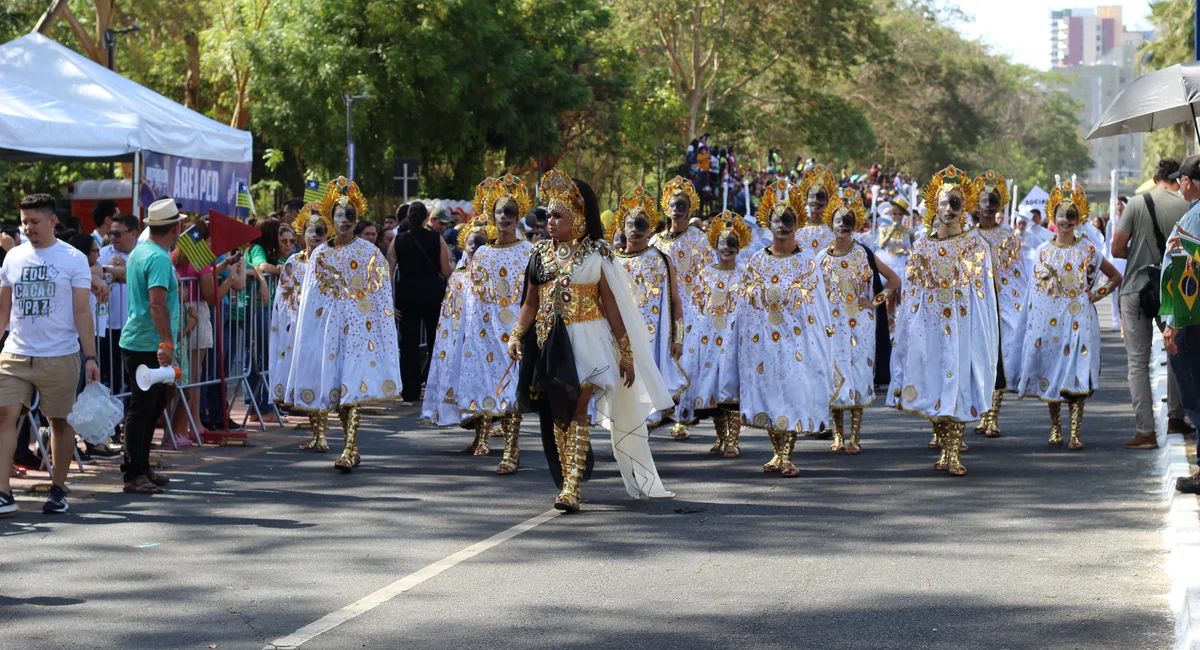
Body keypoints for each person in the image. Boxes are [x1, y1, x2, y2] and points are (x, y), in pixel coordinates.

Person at [510, 169, 674, 512]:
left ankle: (571, 488)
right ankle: (569, 475)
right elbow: (530, 304)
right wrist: (515, 335)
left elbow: (614, 310)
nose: (551, 222)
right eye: (549, 215)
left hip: (591, 342)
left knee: (579, 409)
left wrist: (626, 354)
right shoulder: (539, 255)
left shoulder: (598, 255)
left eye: (558, 215)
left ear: (578, 218)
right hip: (549, 345)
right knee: (559, 414)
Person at [888, 166, 999, 476]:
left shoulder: (975, 245)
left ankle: (953, 452)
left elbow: (982, 295)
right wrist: (909, 327)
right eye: (944, 203)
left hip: (964, 327)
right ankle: (941, 440)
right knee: (936, 379)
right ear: (933, 206)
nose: (950, 209)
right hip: (931, 326)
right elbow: (913, 291)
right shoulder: (922, 245)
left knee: (960, 382)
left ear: (965, 208)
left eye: (956, 203)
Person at [284, 177, 401, 472]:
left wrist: (374, 325)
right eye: (339, 215)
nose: (345, 220)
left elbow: (380, 294)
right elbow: (312, 300)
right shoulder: (321, 254)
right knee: (338, 391)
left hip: (360, 333)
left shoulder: (369, 253)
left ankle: (350, 448)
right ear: (331, 218)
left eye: (350, 216)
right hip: (330, 334)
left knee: (352, 389)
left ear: (357, 218)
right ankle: (351, 446)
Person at [0, 194, 99, 514]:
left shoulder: (73, 258)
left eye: (35, 222)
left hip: (61, 354)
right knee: (4, 416)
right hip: (15, 354)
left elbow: (83, 312)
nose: (28, 228)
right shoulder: (12, 257)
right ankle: (3, 493)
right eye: (24, 222)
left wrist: (91, 357)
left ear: (53, 221)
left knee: (59, 422)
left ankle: (58, 489)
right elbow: (3, 308)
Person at [736, 179, 836, 477]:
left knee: (792, 390)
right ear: (768, 224)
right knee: (769, 391)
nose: (783, 225)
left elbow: (816, 306)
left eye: (788, 221)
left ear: (797, 224)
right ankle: (776, 453)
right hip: (763, 340)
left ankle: (787, 453)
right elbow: (746, 300)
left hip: (797, 342)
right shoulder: (756, 261)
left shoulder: (808, 261)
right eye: (777, 221)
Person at [1017, 181, 1122, 450]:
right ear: (1053, 216)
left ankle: (1075, 432)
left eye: (1071, 216)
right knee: (1052, 369)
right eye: (1061, 215)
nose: (1066, 221)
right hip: (1049, 321)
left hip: (1080, 320)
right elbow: (1034, 292)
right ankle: (1055, 428)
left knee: (1078, 371)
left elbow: (1115, 276)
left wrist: (1095, 294)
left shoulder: (1088, 249)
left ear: (1079, 219)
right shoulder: (1043, 250)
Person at [450, 176, 533, 472]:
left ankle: (511, 450)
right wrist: (472, 337)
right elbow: (473, 300)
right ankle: (491, 441)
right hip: (485, 334)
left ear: (518, 216)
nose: (505, 217)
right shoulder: (482, 253)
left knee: (512, 391)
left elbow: (532, 297)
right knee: (492, 389)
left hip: (515, 333)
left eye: (510, 212)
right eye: (500, 212)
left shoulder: (529, 252)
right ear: (492, 215)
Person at [1112, 157, 1194, 449]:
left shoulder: (1136, 203)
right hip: (1170, 290)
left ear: (1155, 176)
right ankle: (1175, 417)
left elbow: (1117, 248)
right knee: (1175, 353)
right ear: (1179, 179)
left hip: (1135, 287)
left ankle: (1145, 431)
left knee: (1137, 363)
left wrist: (1141, 248)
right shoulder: (1186, 207)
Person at [817, 189, 899, 454]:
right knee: (834, 376)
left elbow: (894, 280)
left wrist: (875, 302)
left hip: (860, 325)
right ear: (830, 223)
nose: (843, 225)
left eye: (848, 221)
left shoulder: (864, 253)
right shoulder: (821, 259)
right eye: (838, 221)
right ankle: (839, 436)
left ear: (855, 226)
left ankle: (855, 437)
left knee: (858, 375)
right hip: (831, 327)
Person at [114, 198, 186, 496]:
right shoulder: (156, 257)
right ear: (177, 227)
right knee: (143, 408)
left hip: (142, 341)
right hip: (148, 344)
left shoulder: (142, 252)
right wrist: (167, 343)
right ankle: (133, 472)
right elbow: (157, 305)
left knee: (152, 405)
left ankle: (141, 466)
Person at [611, 187, 688, 430]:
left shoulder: (662, 260)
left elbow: (675, 301)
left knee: (647, 399)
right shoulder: (612, 262)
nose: (635, 230)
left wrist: (678, 338)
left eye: (641, 225)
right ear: (622, 228)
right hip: (619, 340)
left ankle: (641, 444)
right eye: (630, 224)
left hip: (653, 342)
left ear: (650, 229)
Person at [681, 211, 749, 457]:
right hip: (709, 340)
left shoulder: (746, 274)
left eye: (732, 244)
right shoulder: (706, 273)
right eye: (723, 244)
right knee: (712, 390)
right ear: (715, 246)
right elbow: (695, 307)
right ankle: (721, 438)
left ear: (739, 247)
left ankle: (733, 441)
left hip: (735, 339)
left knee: (731, 388)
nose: (727, 248)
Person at [650, 176, 711, 439]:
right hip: (661, 311)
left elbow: (709, 276)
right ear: (667, 208)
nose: (677, 210)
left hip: (692, 311)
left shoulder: (699, 241)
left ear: (690, 210)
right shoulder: (656, 242)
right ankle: (661, 411)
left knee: (685, 361)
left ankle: (683, 416)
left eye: (682, 206)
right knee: (662, 359)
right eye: (673, 205)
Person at [972, 171, 1028, 438]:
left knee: (1000, 360)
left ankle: (993, 416)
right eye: (984, 199)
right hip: (976, 307)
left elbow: (1018, 275)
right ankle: (980, 413)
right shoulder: (967, 237)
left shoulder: (1009, 237)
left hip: (1003, 305)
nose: (989, 204)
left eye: (994, 199)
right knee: (977, 360)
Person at [421, 218, 490, 429]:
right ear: (463, 246)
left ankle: (486, 431)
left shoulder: (491, 274)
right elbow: (449, 312)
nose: (474, 247)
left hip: (483, 340)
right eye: (471, 243)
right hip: (460, 340)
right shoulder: (458, 277)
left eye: (479, 243)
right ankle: (476, 431)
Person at [271, 204, 330, 450]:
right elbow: (283, 300)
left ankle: (323, 435)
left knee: (321, 380)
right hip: (297, 330)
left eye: (321, 230)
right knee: (305, 378)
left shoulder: (332, 261)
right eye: (311, 230)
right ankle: (316, 434)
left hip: (324, 331)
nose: (315, 235)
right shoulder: (293, 262)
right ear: (301, 233)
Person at [1159, 155, 1200, 493]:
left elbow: (1186, 274)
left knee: (1195, 398)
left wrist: (1172, 322)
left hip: (1191, 319)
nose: (1180, 184)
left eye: (1182, 179)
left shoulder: (1196, 217)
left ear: (1190, 182)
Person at [392, 202, 453, 406]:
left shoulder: (398, 240)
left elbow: (387, 271)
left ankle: (409, 392)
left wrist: (389, 303)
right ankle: (437, 389)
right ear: (427, 218)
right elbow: (446, 271)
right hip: (432, 295)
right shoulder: (437, 239)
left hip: (406, 296)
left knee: (408, 344)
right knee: (436, 342)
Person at [244, 218, 288, 424]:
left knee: (263, 357)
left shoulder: (267, 251)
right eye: (279, 233)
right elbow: (261, 266)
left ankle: (263, 405)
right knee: (261, 358)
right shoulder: (258, 248)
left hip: (264, 309)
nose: (281, 238)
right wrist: (279, 270)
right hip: (257, 308)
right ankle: (260, 407)